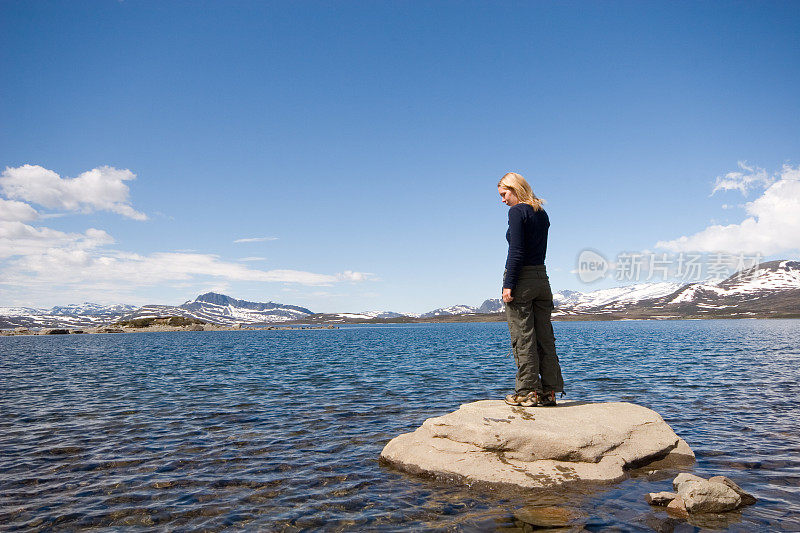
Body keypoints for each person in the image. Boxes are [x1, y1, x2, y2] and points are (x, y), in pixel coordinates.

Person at [498, 172, 564, 407]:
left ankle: (527, 391)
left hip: (523, 280)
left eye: (504, 194)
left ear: (515, 189)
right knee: (545, 337)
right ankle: (549, 392)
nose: (503, 200)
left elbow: (516, 250)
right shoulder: (541, 212)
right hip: (542, 279)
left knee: (523, 337)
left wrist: (509, 284)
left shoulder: (517, 212)